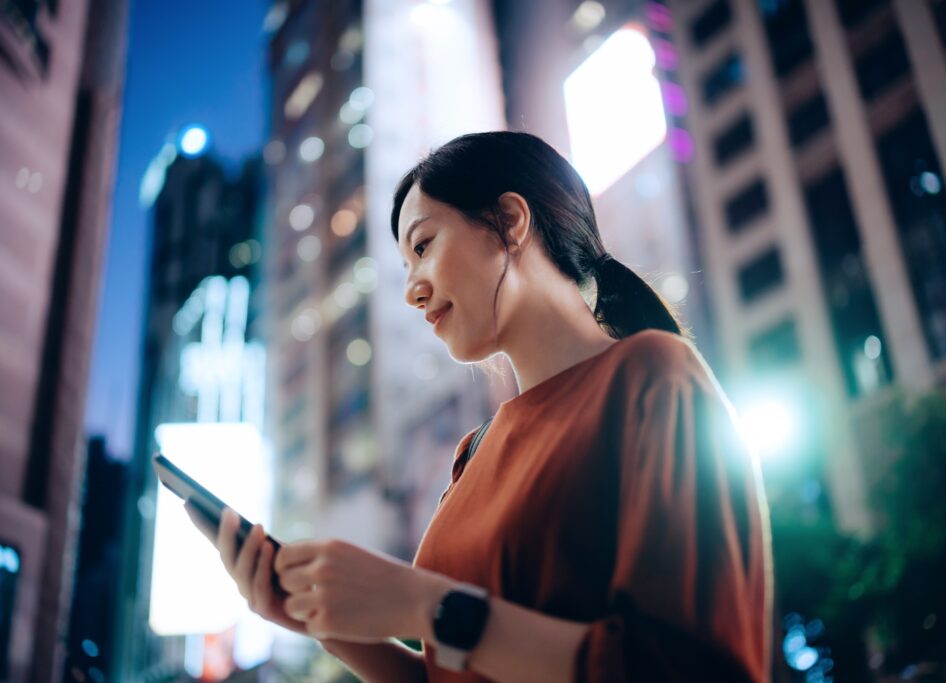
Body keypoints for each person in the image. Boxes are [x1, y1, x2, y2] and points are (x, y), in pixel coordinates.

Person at [186, 131, 773, 682]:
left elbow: (684, 666)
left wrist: (422, 604)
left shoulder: (651, 376)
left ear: (510, 221)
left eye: (423, 245)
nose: (412, 288)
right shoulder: (474, 452)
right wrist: (318, 624)